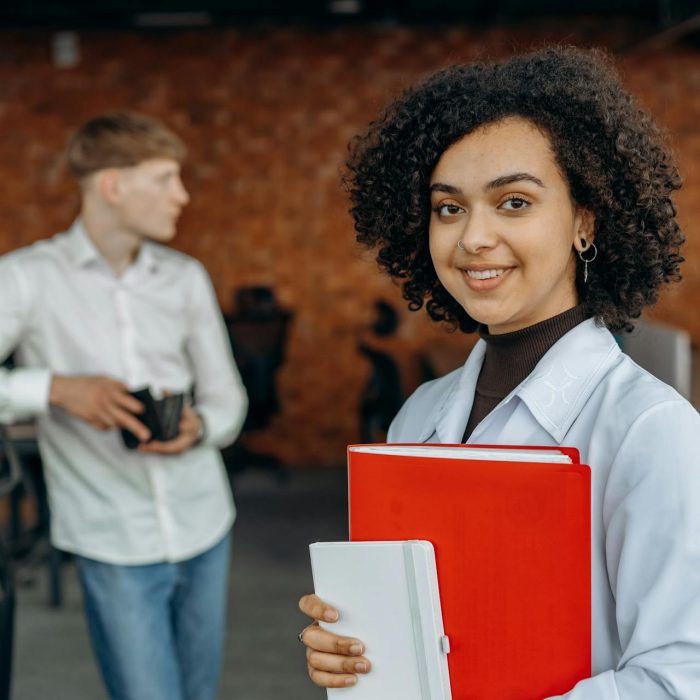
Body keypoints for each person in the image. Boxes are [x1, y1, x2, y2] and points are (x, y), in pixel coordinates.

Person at [298, 46, 700, 698]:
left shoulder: (650, 431)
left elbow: (681, 679)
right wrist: (352, 650)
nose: (473, 238)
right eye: (449, 208)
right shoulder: (420, 414)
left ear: (584, 220)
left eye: (513, 203)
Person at [0, 112, 248, 700]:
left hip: (204, 523)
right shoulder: (25, 279)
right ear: (114, 186)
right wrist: (53, 388)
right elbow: (43, 388)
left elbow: (228, 398)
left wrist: (200, 426)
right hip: (111, 538)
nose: (181, 196)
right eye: (165, 179)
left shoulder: (186, 278)